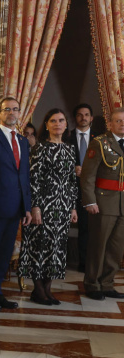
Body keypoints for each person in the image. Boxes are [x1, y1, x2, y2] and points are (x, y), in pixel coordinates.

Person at [19, 109, 78, 305]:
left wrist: (73, 207)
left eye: (61, 120)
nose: (57, 124)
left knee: (56, 247)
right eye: (53, 121)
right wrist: (35, 206)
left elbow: (72, 181)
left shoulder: (70, 149)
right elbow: (33, 178)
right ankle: (38, 290)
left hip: (63, 206)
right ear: (46, 125)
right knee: (40, 247)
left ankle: (47, 289)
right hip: (43, 205)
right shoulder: (40, 148)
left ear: (66, 125)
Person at [0, 97, 33, 312]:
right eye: (7, 109)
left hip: (15, 209)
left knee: (4, 255)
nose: (11, 113)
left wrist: (26, 207)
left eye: (15, 109)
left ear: (19, 113)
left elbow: (24, 176)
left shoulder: (22, 141)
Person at [80, 107, 124, 301]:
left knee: (116, 248)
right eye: (118, 121)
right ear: (110, 123)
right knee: (98, 246)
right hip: (103, 202)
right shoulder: (99, 143)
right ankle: (92, 284)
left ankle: (107, 284)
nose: (122, 124)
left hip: (122, 205)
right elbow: (88, 176)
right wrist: (90, 201)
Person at [67, 103, 96, 271]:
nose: (83, 118)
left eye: (86, 114)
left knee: (87, 227)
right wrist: (72, 169)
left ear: (91, 118)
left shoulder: (99, 139)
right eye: (79, 114)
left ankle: (85, 263)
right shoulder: (66, 137)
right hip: (69, 189)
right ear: (75, 118)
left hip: (90, 191)